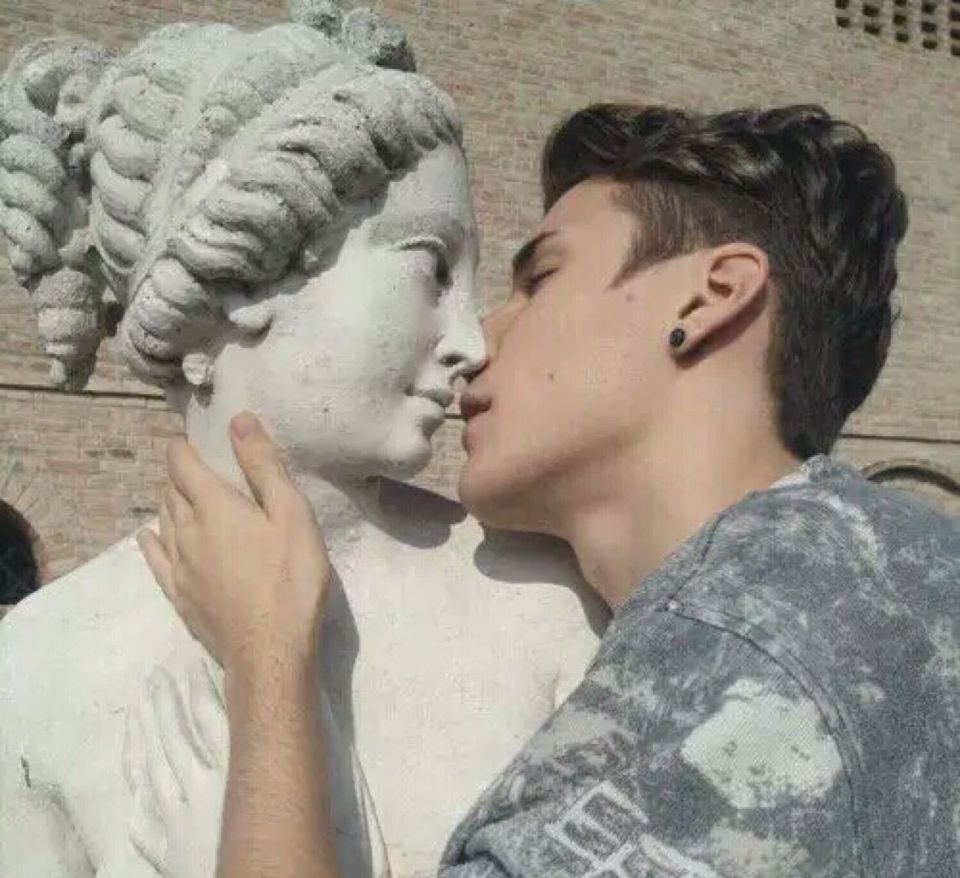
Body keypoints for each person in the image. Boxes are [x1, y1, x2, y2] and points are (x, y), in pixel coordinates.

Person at [138, 103, 960, 877]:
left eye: (540, 277)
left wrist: (266, 656)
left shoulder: (747, 649)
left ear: (711, 298)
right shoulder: (895, 579)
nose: (476, 341)